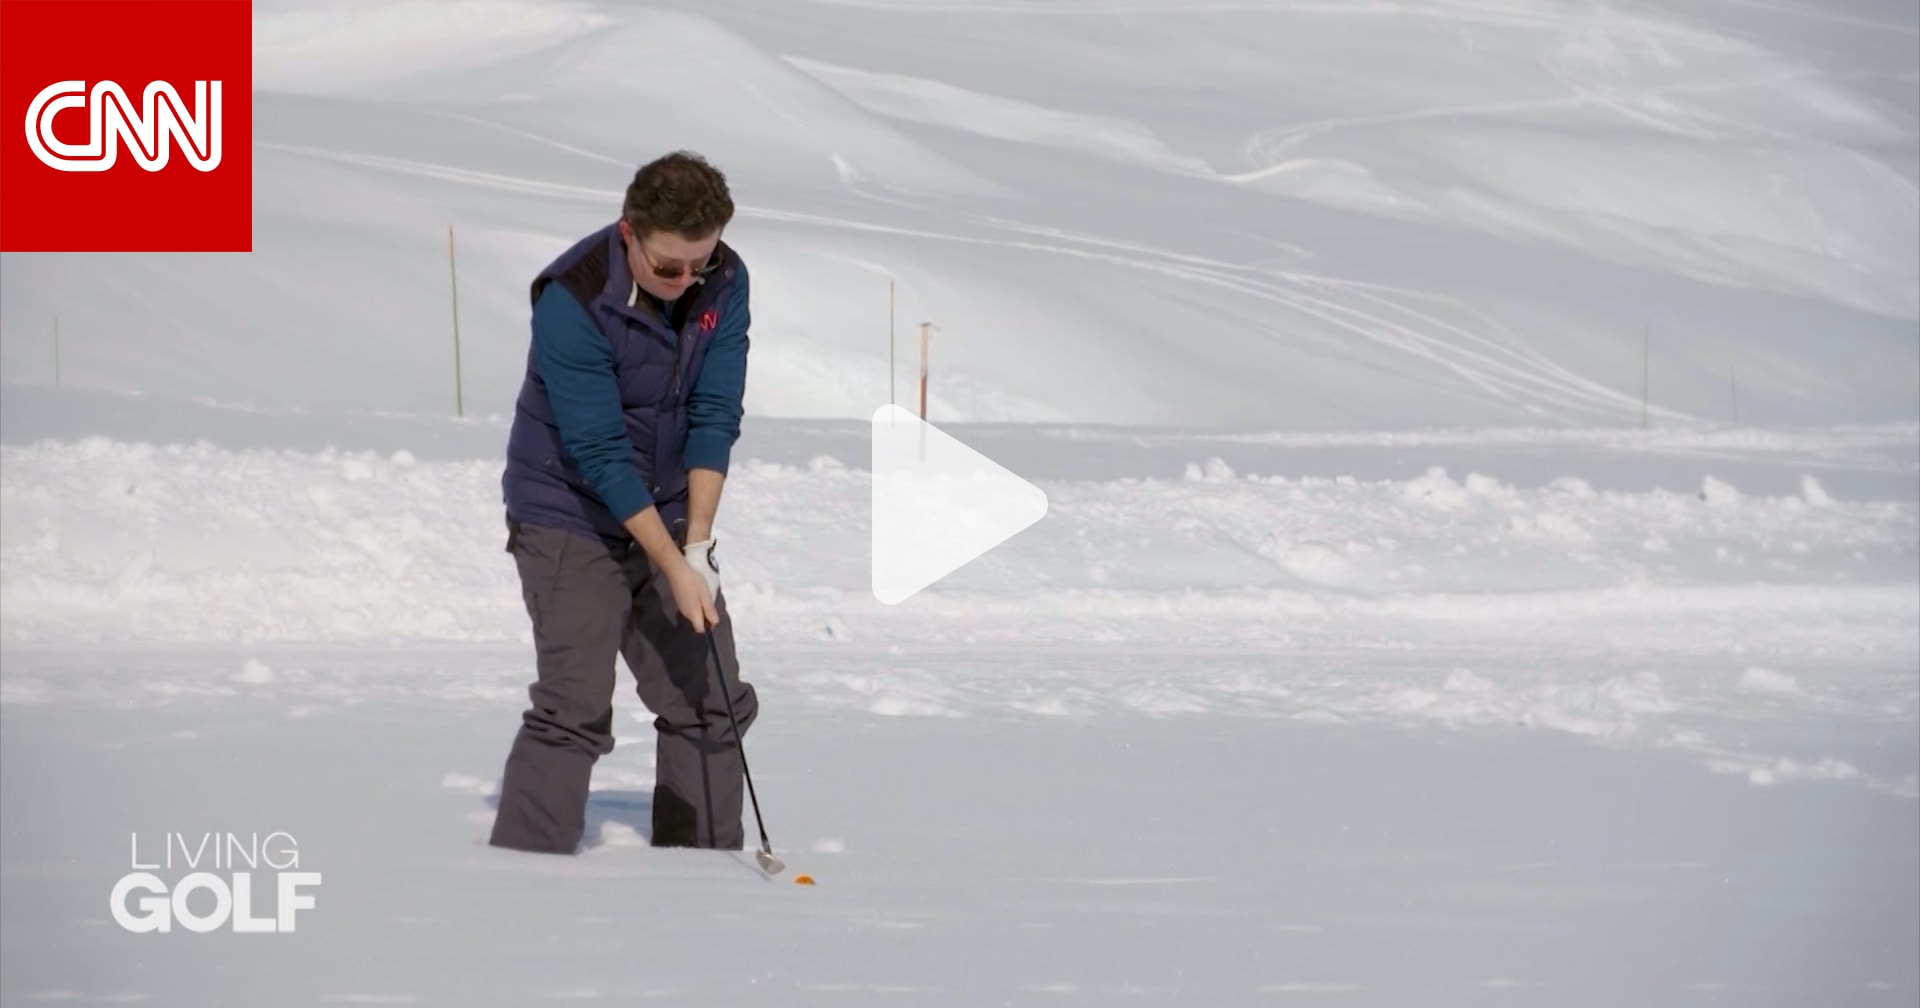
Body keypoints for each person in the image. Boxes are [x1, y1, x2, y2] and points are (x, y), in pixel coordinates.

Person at [489, 151, 756, 854]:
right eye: (669, 267)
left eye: (702, 262)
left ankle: (702, 874)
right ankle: (524, 876)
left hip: (667, 505)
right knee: (575, 705)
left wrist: (695, 546)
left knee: (713, 699)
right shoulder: (572, 300)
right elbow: (601, 453)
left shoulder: (723, 280)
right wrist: (672, 566)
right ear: (629, 233)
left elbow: (715, 411)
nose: (687, 281)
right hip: (568, 509)